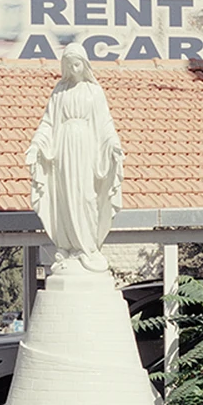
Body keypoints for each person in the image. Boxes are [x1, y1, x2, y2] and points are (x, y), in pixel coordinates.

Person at [25, 43, 124, 272]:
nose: (73, 69)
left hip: (86, 149)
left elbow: (105, 123)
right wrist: (36, 145)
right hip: (63, 150)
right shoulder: (59, 91)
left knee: (86, 196)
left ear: (85, 64)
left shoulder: (93, 92)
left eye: (77, 64)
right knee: (65, 197)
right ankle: (68, 246)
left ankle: (87, 247)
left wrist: (113, 145)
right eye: (69, 65)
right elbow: (48, 123)